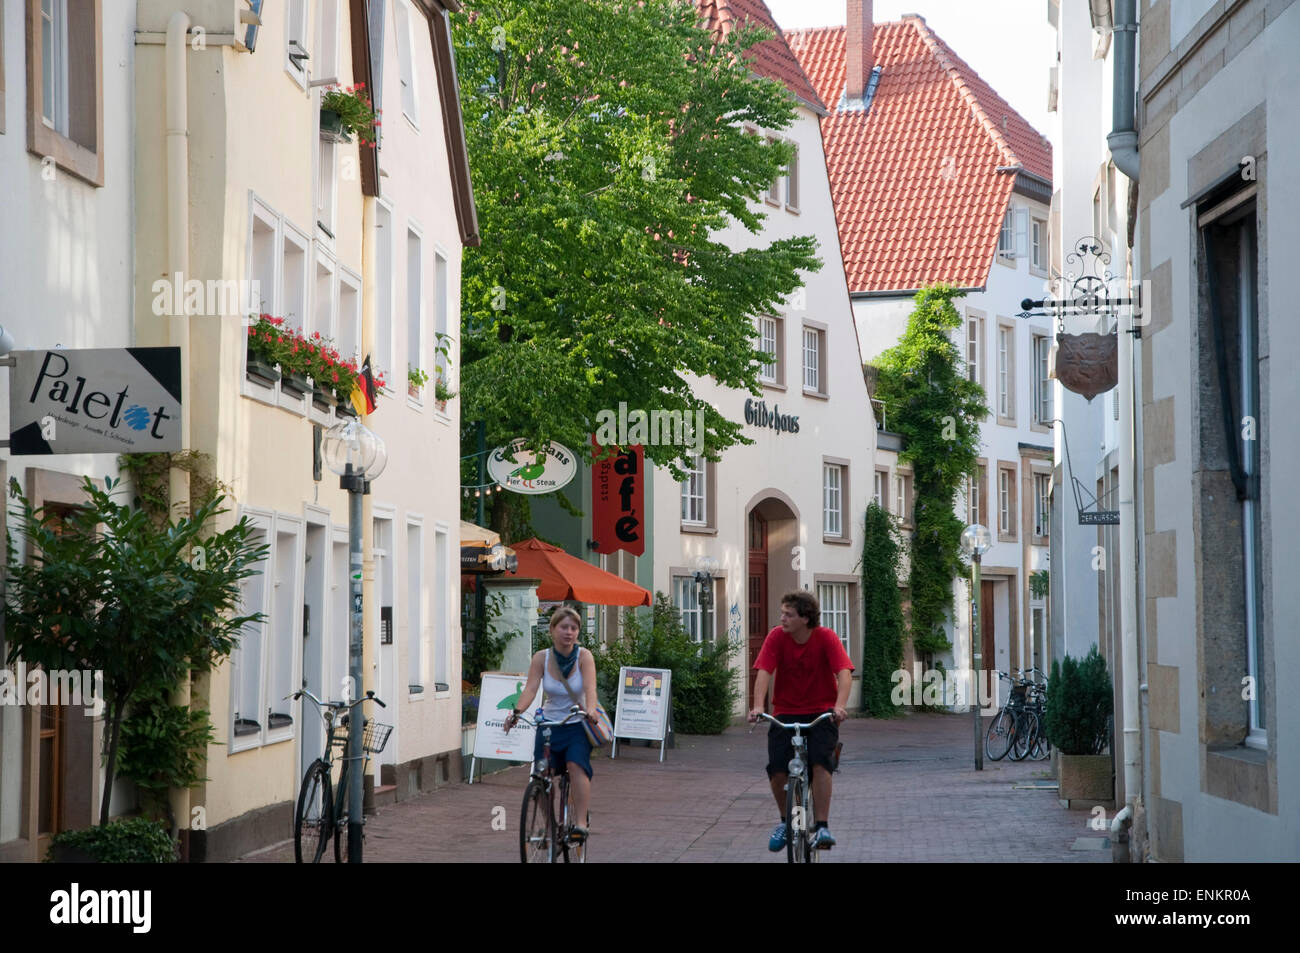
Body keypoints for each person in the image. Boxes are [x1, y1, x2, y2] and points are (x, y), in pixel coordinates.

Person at [747, 590, 853, 851]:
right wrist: (758, 706)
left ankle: (822, 826)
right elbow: (764, 672)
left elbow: (843, 672)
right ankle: (786, 822)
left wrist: (839, 706)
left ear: (805, 618)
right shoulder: (776, 637)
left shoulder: (826, 638)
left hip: (821, 711)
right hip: (785, 711)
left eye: (788, 614)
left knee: (820, 763)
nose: (782, 618)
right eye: (782, 613)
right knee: (778, 768)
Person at [503, 605, 599, 841]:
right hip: (549, 725)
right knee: (541, 773)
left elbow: (590, 688)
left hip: (576, 722)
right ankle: (549, 825)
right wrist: (516, 712)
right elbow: (530, 690)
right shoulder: (541, 658)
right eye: (564, 627)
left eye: (574, 628)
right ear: (553, 629)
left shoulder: (584, 657)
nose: (569, 632)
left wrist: (591, 710)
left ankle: (580, 823)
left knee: (576, 765)